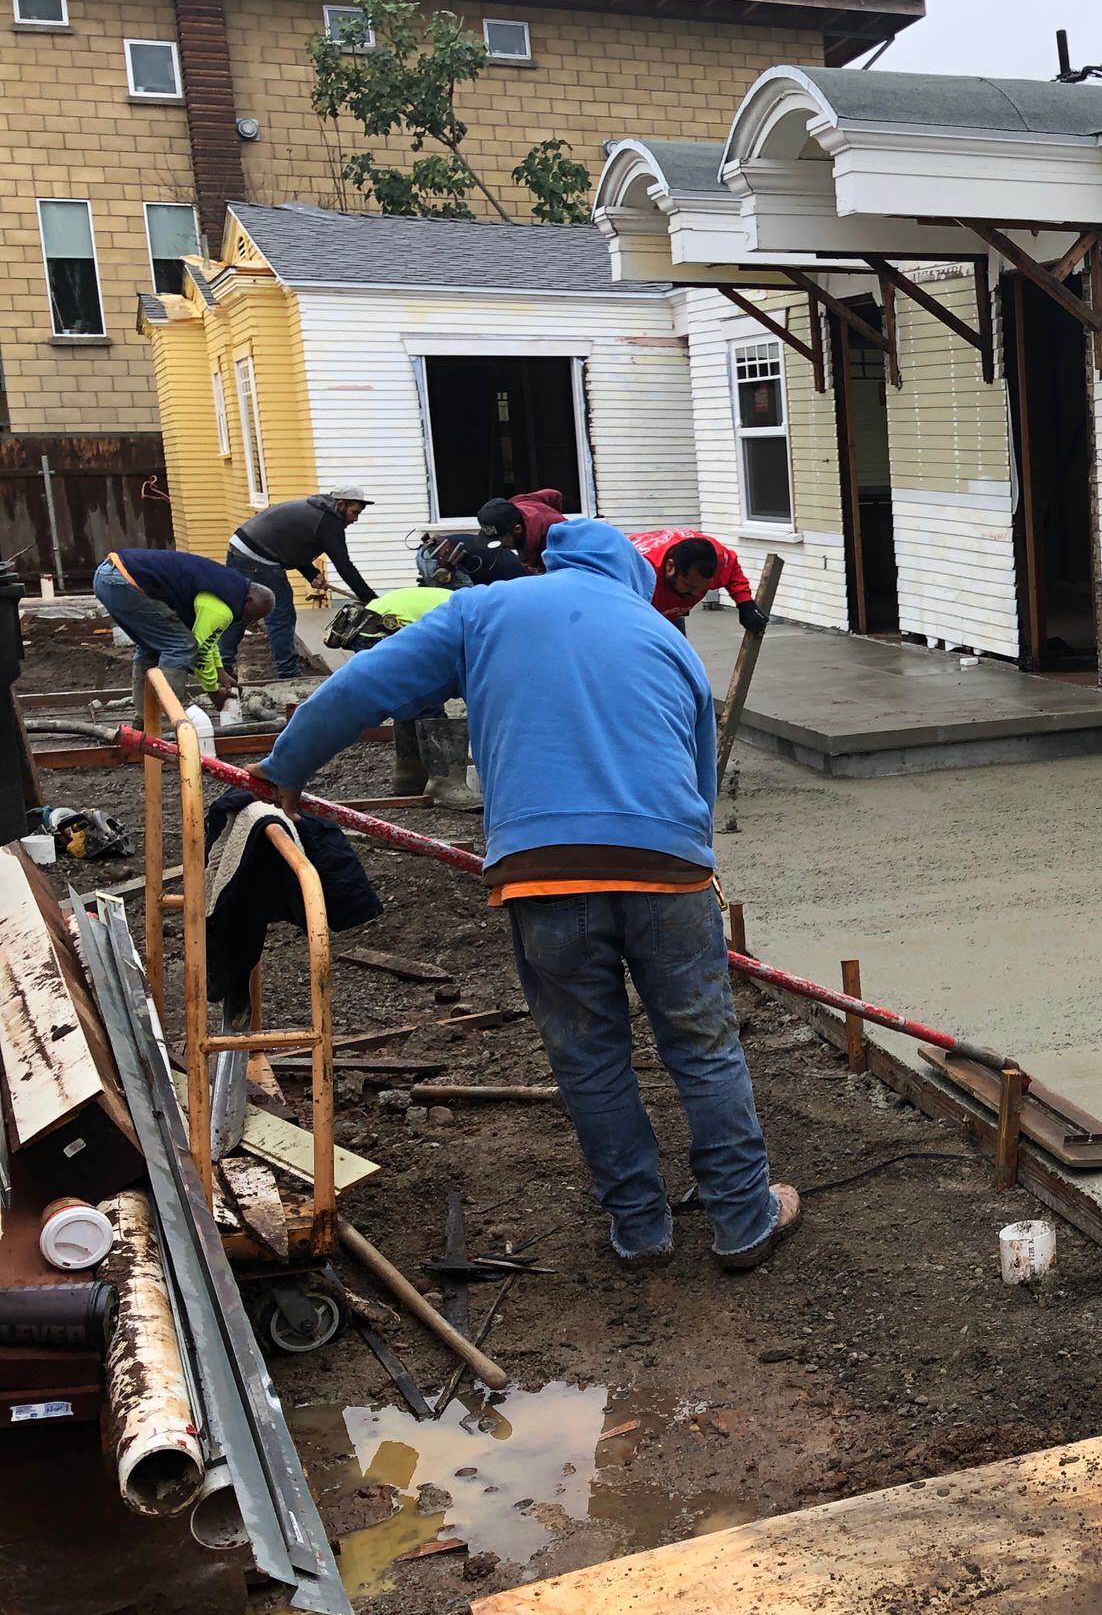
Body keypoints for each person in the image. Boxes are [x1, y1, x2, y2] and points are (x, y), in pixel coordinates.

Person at [252, 519, 798, 1273]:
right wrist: (683, 853)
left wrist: (288, 767)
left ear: (551, 562)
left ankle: (640, 1232)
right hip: (668, 866)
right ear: (635, 576)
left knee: (589, 1056)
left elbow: (365, 685)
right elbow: (698, 769)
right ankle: (743, 1222)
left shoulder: (485, 611)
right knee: (704, 1049)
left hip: (543, 871)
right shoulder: (663, 634)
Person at [324, 585, 478, 807]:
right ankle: (446, 783)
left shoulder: (474, 605)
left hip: (369, 628)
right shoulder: (485, 620)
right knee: (428, 696)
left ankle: (411, 776)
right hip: (383, 629)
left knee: (411, 698)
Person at [94, 547, 272, 715]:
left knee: (152, 648)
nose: (247, 621)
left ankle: (145, 721)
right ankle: (165, 721)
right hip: (124, 581)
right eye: (251, 616)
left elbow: (208, 639)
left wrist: (219, 671)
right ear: (248, 600)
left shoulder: (229, 588)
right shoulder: (224, 608)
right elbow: (201, 649)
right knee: (181, 647)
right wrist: (212, 690)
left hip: (110, 575)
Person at [226, 486, 378, 677]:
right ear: (341, 504)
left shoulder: (317, 511)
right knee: (281, 614)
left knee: (240, 609)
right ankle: (288, 673)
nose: (355, 519)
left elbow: (291, 543)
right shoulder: (329, 522)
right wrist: (372, 601)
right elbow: (344, 566)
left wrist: (311, 574)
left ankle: (223, 665)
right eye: (354, 513)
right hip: (257, 556)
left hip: (241, 547)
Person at [629, 529, 768, 634]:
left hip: (666, 607)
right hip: (632, 612)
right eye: (690, 586)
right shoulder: (638, 574)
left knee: (678, 662)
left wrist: (745, 603)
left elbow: (732, 571)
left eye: (703, 588)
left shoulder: (717, 557)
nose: (696, 593)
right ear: (670, 567)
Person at [477, 489, 569, 567]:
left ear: (517, 529)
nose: (502, 548)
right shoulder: (519, 503)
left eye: (502, 543)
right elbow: (553, 494)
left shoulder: (553, 543)